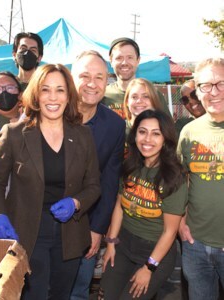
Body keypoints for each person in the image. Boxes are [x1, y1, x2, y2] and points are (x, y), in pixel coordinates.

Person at [0, 63, 101, 300]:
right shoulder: (14, 134)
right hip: (27, 232)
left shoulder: (83, 135)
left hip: (69, 233)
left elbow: (94, 186)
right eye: (46, 89)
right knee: (31, 296)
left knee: (61, 294)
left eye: (60, 90)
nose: (53, 97)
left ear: (69, 96)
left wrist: (76, 203)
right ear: (36, 94)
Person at [101, 109, 187, 299]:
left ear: (166, 138)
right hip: (123, 244)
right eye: (142, 131)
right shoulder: (130, 166)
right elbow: (119, 207)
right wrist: (111, 244)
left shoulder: (173, 176)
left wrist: (149, 268)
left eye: (156, 133)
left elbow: (170, 232)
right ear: (135, 134)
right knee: (105, 296)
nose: (147, 139)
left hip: (154, 252)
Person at [70, 50, 126, 299]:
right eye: (84, 75)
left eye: (100, 77)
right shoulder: (50, 113)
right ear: (71, 78)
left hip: (88, 224)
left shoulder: (114, 125)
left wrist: (97, 229)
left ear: (107, 82)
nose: (92, 84)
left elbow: (110, 180)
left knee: (80, 290)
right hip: (44, 226)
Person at [178, 57, 224, 300]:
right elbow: (181, 180)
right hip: (195, 245)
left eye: (220, 83)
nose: (213, 92)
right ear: (198, 91)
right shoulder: (189, 131)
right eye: (206, 85)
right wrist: (182, 222)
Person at [104, 37, 171, 118]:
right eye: (119, 58)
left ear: (138, 60)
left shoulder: (154, 94)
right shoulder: (103, 95)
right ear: (111, 61)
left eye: (130, 57)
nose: (124, 62)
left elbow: (168, 128)